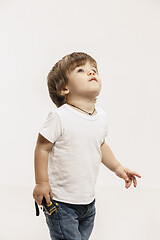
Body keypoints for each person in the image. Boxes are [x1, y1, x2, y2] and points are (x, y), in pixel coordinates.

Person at [33, 52, 141, 240]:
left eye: (94, 70)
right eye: (81, 70)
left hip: (88, 203)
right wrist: (41, 183)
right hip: (61, 203)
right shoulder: (60, 116)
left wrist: (117, 167)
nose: (91, 73)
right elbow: (42, 147)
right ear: (64, 88)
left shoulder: (100, 117)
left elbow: (100, 144)